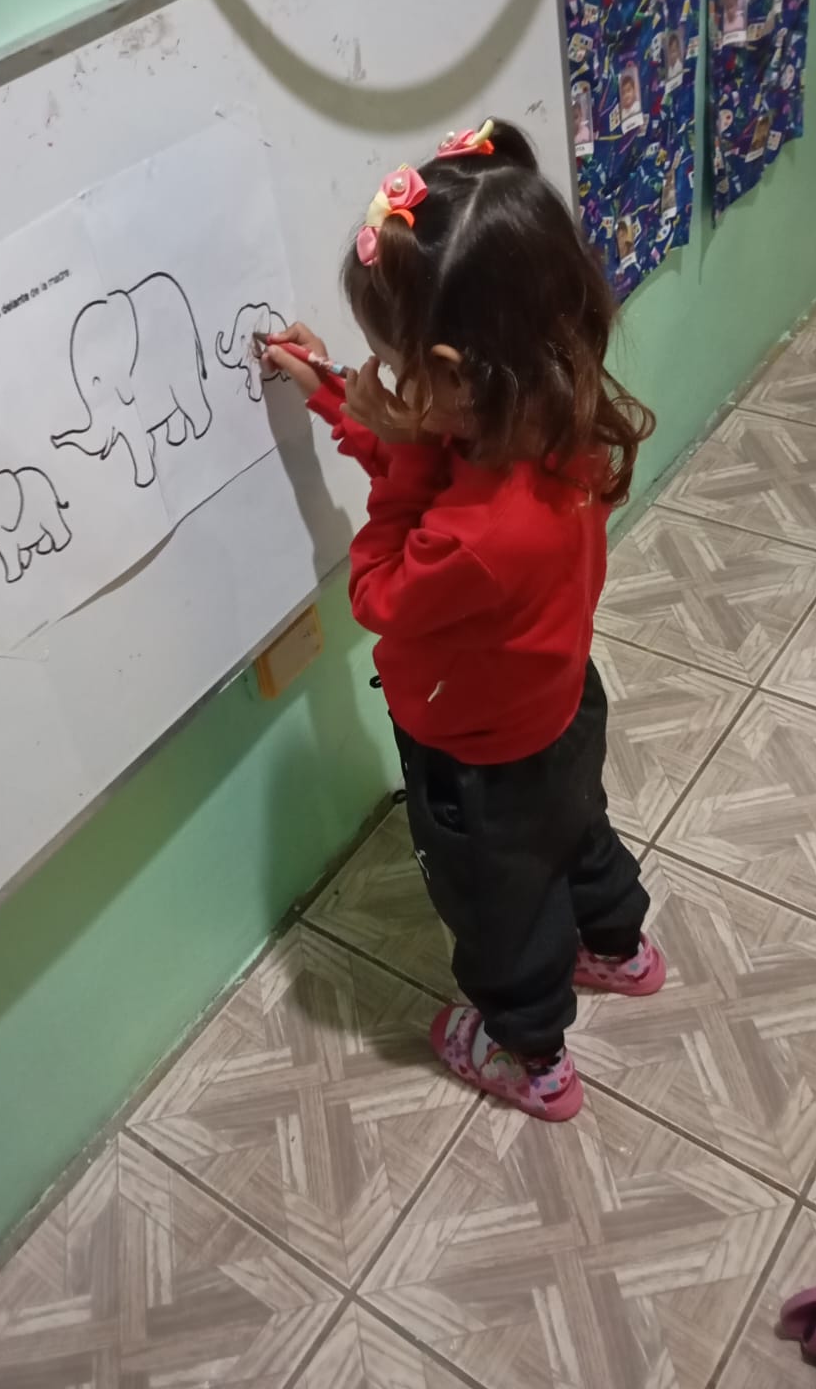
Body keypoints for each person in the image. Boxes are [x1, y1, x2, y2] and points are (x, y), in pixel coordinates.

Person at [265, 119, 663, 1123]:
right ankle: (621, 947)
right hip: (560, 706)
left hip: (477, 758)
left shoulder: (474, 535)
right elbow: (428, 448)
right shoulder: (551, 414)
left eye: (397, 367)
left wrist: (393, 461)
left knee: (499, 902)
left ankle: (531, 1053)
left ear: (452, 372)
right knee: (576, 828)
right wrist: (333, 398)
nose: (390, 384)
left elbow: (378, 592)